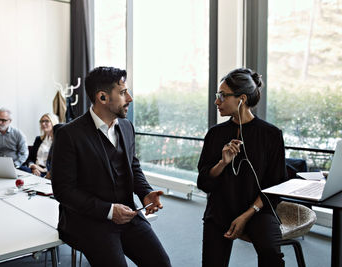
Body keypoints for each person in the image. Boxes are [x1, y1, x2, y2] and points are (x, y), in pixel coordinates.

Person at [51, 66, 171, 267]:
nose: (130, 99)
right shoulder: (69, 134)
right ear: (103, 98)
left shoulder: (126, 126)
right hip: (88, 220)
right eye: (123, 93)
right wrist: (109, 211)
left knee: (161, 263)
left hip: (128, 215)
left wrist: (145, 193)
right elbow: (63, 191)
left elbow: (133, 167)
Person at [197, 68, 286, 267]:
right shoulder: (215, 134)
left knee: (271, 255)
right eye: (216, 96)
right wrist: (222, 163)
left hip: (258, 210)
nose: (216, 102)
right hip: (220, 210)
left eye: (222, 96)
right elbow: (203, 182)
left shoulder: (271, 135)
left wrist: (247, 214)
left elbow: (276, 185)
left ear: (242, 98)